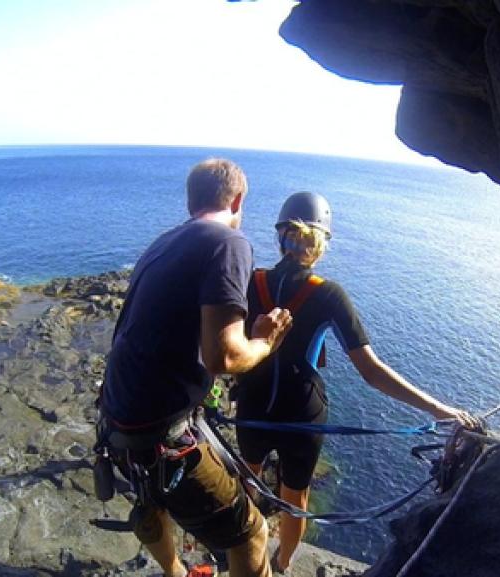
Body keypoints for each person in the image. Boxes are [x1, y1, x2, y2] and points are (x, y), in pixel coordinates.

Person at [235, 191, 478, 573]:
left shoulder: (252, 282)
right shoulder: (327, 294)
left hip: (252, 406)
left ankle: (246, 551)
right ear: (321, 243)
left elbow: (224, 344)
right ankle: (281, 565)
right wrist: (439, 410)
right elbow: (371, 370)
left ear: (281, 234)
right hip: (303, 414)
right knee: (295, 497)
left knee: (248, 480)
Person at [101, 158, 292, 577]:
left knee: (150, 504)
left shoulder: (162, 243)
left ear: (191, 202)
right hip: (161, 438)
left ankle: (176, 573)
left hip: (116, 417)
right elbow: (222, 357)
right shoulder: (229, 243)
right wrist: (265, 342)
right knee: (252, 533)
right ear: (238, 199)